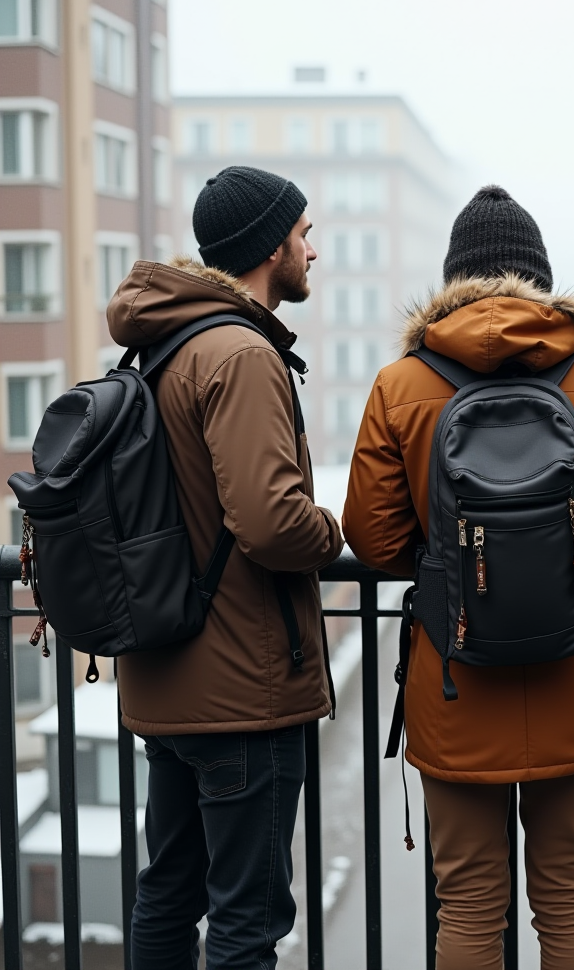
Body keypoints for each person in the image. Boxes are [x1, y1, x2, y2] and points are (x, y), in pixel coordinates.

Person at [343, 185, 574, 970]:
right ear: (541, 277)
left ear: (453, 277)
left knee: (467, 907)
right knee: (567, 900)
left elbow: (375, 539)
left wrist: (452, 564)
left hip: (454, 683)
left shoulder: (401, 387)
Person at [107, 166, 344, 970]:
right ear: (271, 246)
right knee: (246, 921)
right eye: (304, 234)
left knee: (168, 895)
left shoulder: (166, 344)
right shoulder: (239, 352)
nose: (314, 249)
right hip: (244, 690)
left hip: (170, 676)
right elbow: (272, 522)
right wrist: (332, 530)